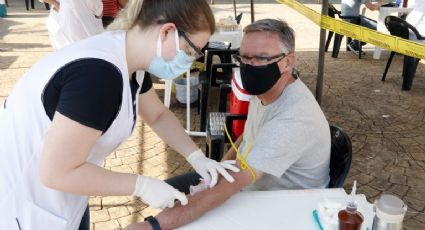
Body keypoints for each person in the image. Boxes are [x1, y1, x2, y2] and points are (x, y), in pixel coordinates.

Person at [0, 1, 239, 229]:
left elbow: (156, 115)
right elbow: (57, 172)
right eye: (189, 51)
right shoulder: (98, 76)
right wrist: (142, 185)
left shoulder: (129, 58)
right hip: (26, 207)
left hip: (64, 196)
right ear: (166, 31)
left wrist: (197, 157)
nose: (189, 62)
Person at [123, 18, 331, 230]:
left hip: (284, 206)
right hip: (253, 188)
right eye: (244, 57)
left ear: (288, 62)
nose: (249, 65)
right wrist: (218, 169)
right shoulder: (269, 91)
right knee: (172, 193)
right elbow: (246, 137)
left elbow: (233, 183)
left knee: (181, 217)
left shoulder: (294, 117)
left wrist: (152, 226)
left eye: (260, 58)